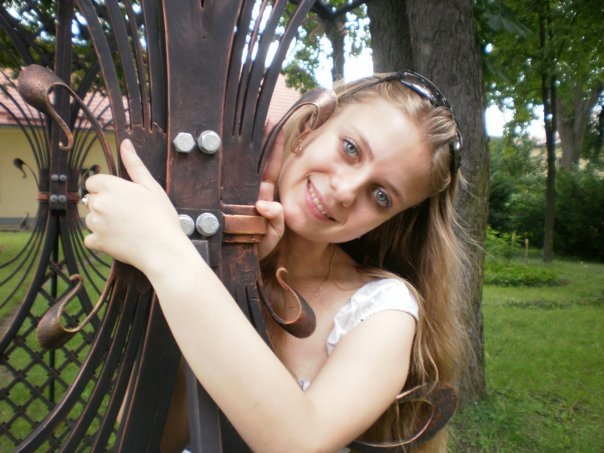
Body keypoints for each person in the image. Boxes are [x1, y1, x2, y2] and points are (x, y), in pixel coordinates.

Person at [82, 71, 470, 452]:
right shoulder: (205, 248)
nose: (345, 191)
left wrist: (164, 252)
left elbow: (300, 442)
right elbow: (155, 435)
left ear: (390, 220)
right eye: (351, 149)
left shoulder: (385, 310)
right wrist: (234, 276)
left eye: (381, 196)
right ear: (312, 125)